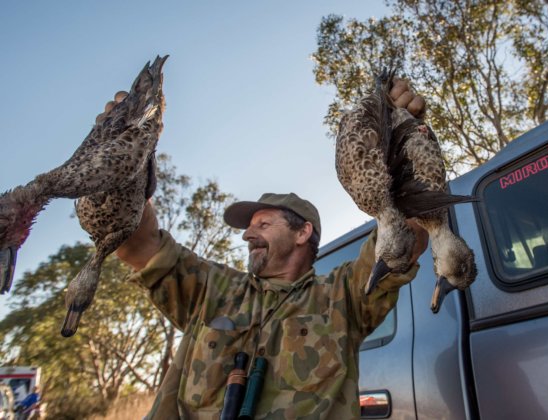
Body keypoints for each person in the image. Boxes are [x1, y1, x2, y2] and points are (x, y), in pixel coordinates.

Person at [114, 79, 429, 419]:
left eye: (263, 224)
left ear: (302, 232)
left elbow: (406, 239)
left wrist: (407, 144)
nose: (248, 235)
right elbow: (136, 243)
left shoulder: (344, 297)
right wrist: (127, 154)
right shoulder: (211, 289)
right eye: (249, 227)